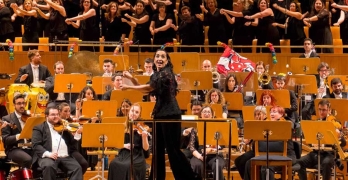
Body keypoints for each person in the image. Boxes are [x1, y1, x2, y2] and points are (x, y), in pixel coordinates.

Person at [121, 49, 200, 180]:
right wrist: (131, 78)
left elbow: (149, 88)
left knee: (173, 151)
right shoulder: (156, 75)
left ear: (167, 60)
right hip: (159, 115)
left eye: (162, 56)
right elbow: (145, 91)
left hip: (170, 115)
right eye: (157, 56)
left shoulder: (166, 74)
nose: (159, 58)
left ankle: (189, 178)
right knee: (157, 151)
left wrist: (128, 87)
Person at [243, 106, 296, 180]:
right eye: (271, 112)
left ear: (281, 115)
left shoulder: (285, 125)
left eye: (275, 112)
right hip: (270, 154)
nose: (272, 113)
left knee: (266, 166)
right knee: (249, 163)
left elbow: (278, 145)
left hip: (286, 154)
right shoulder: (267, 127)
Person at [31, 107, 83, 180]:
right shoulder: (39, 128)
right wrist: (49, 154)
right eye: (53, 115)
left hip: (64, 156)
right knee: (49, 166)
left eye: (57, 114)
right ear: (46, 116)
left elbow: (72, 142)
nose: (56, 117)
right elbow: (36, 145)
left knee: (77, 168)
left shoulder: (64, 127)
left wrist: (77, 133)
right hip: (47, 157)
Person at [297, 99, 344, 180]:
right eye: (320, 109)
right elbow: (310, 140)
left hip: (330, 154)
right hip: (316, 153)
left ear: (329, 110)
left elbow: (343, 142)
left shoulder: (335, 123)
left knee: (326, 163)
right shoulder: (316, 123)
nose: (321, 112)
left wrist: (338, 135)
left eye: (324, 110)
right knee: (300, 162)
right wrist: (312, 143)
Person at [108, 103, 150, 180]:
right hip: (123, 154)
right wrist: (124, 145)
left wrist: (144, 137)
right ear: (129, 112)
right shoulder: (123, 127)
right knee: (113, 164)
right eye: (132, 111)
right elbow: (116, 144)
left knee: (128, 166)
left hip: (137, 156)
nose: (134, 113)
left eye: (137, 112)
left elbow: (146, 150)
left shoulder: (142, 128)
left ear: (139, 115)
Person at [189, 106, 225, 180]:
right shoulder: (195, 128)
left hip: (215, 155)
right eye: (204, 112)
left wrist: (211, 148)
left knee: (217, 165)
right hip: (199, 154)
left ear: (212, 115)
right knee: (197, 165)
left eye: (209, 112)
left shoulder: (217, 127)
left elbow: (221, 144)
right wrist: (200, 156)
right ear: (201, 115)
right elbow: (192, 146)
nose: (206, 114)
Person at [234, 105, 267, 179]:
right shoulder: (254, 125)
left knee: (247, 163)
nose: (257, 116)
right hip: (255, 150)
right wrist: (247, 140)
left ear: (265, 115)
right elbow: (249, 140)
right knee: (238, 161)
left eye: (259, 114)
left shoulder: (267, 124)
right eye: (255, 114)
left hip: (263, 150)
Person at [1, 94, 32, 169]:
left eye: (23, 103)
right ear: (14, 105)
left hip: (29, 146)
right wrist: (19, 136)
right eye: (19, 103)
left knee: (43, 157)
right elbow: (6, 140)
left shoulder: (29, 117)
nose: (22, 105)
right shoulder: (7, 119)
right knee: (27, 159)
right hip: (14, 149)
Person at [57, 103, 88, 174]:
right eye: (65, 111)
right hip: (59, 149)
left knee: (84, 164)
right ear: (59, 111)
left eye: (69, 111)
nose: (68, 113)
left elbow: (73, 142)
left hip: (71, 149)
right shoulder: (56, 123)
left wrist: (77, 133)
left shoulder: (70, 123)